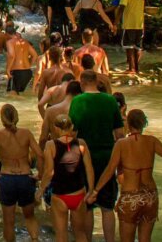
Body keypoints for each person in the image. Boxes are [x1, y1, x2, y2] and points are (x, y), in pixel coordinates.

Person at [89, 109, 162, 242]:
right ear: (143, 123)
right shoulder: (152, 141)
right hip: (150, 196)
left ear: (128, 124)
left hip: (130, 197)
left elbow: (110, 169)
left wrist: (95, 191)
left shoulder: (121, 144)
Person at [70, 70, 125, 242]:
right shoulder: (110, 101)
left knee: (87, 205)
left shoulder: (77, 101)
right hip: (108, 156)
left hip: (85, 157)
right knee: (108, 206)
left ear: (82, 83)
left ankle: (88, 239)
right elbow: (119, 134)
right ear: (96, 81)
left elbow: (72, 132)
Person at [0, 104, 43, 242]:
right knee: (30, 217)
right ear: (16, 116)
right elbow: (40, 154)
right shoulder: (26, 133)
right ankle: (35, 239)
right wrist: (40, 175)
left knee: (8, 222)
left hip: (6, 179)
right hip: (25, 178)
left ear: (2, 119)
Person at [39, 114, 96, 242]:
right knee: (80, 233)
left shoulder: (50, 145)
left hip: (60, 196)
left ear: (56, 128)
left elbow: (49, 172)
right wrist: (91, 189)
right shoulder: (81, 143)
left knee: (61, 235)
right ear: (72, 127)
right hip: (79, 194)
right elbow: (89, 168)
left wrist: (40, 190)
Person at [40, 80, 83, 150]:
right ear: (80, 94)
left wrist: (41, 156)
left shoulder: (50, 110)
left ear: (66, 92)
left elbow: (43, 138)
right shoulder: (81, 110)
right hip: (74, 152)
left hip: (55, 150)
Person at [117, 0, 146, 74]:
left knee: (128, 46)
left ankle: (131, 68)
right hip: (139, 23)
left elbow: (121, 7)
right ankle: (136, 69)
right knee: (138, 46)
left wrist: (116, 21)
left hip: (129, 23)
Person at [5, 30, 38, 95]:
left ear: (6, 35)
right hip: (28, 73)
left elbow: (12, 55)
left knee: (12, 96)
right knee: (20, 95)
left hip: (16, 73)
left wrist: (8, 69)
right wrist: (29, 65)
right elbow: (35, 55)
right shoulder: (25, 42)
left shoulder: (9, 42)